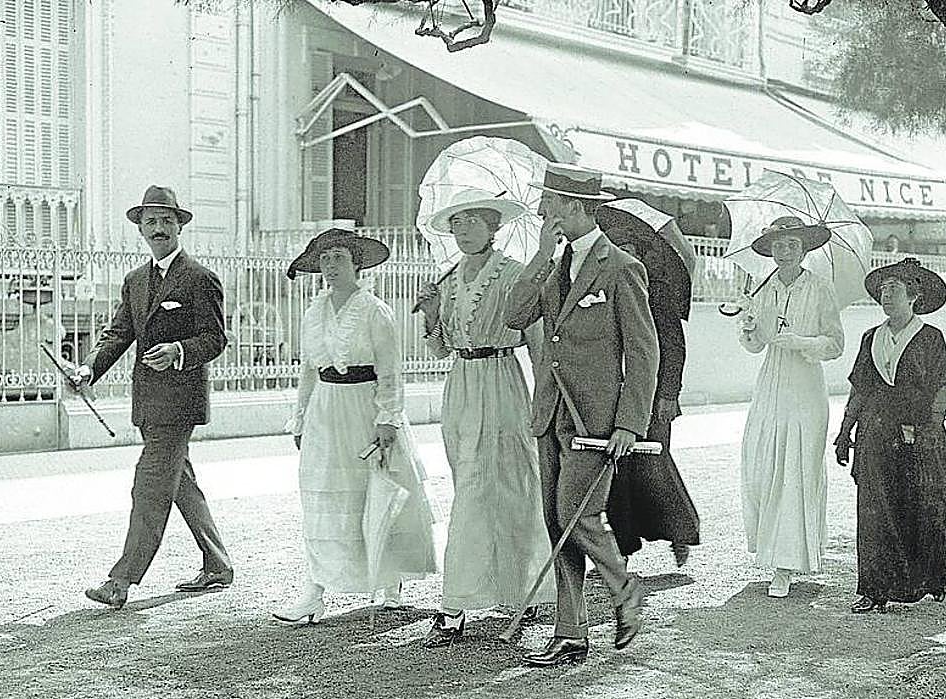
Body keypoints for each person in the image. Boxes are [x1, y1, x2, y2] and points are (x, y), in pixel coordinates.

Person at [505, 164, 659, 667]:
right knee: (557, 522)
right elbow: (515, 315)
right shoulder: (555, 264)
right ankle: (570, 633)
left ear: (572, 206)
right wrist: (540, 256)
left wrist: (629, 424)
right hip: (550, 410)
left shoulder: (619, 268)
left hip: (595, 419)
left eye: (549, 203)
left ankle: (625, 588)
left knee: (578, 515)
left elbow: (643, 352)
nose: (543, 211)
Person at [71, 186, 233, 609]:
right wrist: (90, 368)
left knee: (149, 486)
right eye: (150, 222)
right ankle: (218, 565)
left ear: (179, 225)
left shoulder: (200, 278)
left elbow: (216, 338)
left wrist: (179, 352)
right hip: (147, 403)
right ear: (140, 229)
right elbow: (119, 333)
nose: (158, 229)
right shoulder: (135, 281)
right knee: (180, 484)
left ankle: (121, 580)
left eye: (166, 221)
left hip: (180, 404)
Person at [272, 223, 436, 624]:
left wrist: (388, 419)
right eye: (325, 259)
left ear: (356, 264)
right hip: (326, 413)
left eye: (339, 258)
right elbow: (309, 370)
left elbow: (391, 371)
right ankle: (315, 590)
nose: (331, 266)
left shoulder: (375, 311)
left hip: (365, 410)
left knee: (374, 492)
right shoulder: (314, 313)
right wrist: (300, 417)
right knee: (323, 496)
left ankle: (390, 577)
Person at [414, 190, 554, 647]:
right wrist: (432, 314)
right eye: (457, 222)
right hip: (461, 385)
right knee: (473, 484)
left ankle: (455, 605)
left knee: (502, 485)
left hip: (501, 382)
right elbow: (439, 348)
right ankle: (506, 589)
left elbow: (535, 339)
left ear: (494, 227)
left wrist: (543, 398)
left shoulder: (514, 274)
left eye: (474, 220)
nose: (464, 229)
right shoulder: (448, 280)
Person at [833, 258, 946, 613]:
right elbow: (859, 390)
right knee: (874, 509)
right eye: (883, 290)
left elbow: (940, 388)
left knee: (923, 507)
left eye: (894, 290)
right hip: (875, 432)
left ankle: (931, 580)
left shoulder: (932, 338)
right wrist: (845, 431)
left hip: (918, 433)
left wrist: (932, 430)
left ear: (913, 296)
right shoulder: (870, 337)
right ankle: (873, 589)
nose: (886, 296)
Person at [737, 216, 844, 598]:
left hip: (805, 388)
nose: (785, 251)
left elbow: (835, 344)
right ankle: (770, 552)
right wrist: (749, 325)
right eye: (779, 245)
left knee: (796, 469)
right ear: (771, 250)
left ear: (803, 249)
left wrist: (798, 340)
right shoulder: (763, 290)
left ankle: (786, 565)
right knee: (763, 462)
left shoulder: (819, 288)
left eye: (792, 244)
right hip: (772, 385)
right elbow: (755, 345)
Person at [597, 200, 701, 568]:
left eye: (629, 250)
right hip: (614, 394)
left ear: (642, 255)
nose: (624, 256)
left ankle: (678, 531)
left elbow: (674, 347)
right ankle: (623, 549)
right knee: (614, 472)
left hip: (655, 396)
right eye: (617, 249)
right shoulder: (607, 288)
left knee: (654, 465)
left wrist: (670, 395)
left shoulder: (658, 294)